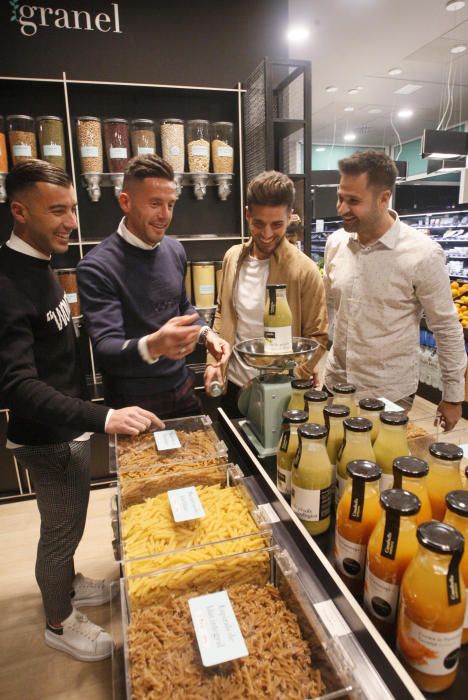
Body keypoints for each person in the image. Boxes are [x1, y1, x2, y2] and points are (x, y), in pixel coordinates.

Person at [0, 160, 162, 662]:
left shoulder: (40, 263)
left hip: (66, 427)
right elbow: (17, 386)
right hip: (46, 438)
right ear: (19, 211)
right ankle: (58, 620)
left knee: (70, 519)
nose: (71, 221)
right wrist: (103, 416)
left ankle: (69, 582)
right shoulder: (7, 283)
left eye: (72, 209)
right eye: (57, 211)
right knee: (60, 529)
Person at [323, 149, 467, 431]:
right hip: (336, 385)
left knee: (381, 470)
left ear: (384, 198)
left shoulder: (422, 254)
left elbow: (446, 328)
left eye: (353, 201)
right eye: (340, 197)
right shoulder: (336, 243)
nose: (341, 208)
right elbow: (331, 306)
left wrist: (452, 396)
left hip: (388, 394)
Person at [77, 155, 229, 417]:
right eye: (155, 204)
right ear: (125, 202)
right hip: (131, 403)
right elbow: (105, 347)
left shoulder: (175, 250)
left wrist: (207, 335)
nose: (165, 215)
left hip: (181, 386)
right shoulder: (97, 267)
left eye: (171, 204)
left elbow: (182, 307)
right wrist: (154, 345)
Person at [204, 170, 328, 412]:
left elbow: (318, 337)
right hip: (234, 383)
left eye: (277, 225)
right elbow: (222, 315)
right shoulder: (233, 258)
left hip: (282, 394)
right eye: (258, 223)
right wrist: (213, 363)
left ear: (290, 217)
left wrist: (288, 379)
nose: (267, 234)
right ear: (248, 214)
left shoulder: (304, 270)